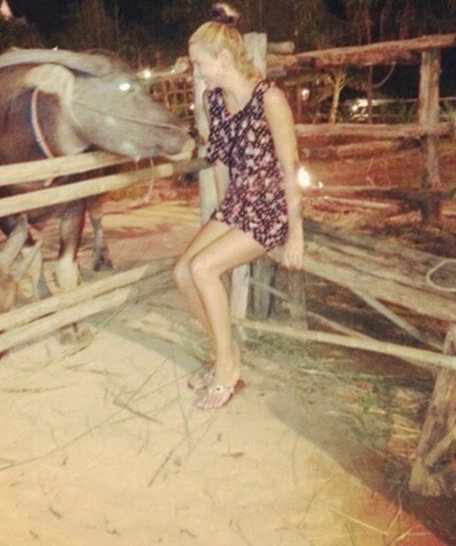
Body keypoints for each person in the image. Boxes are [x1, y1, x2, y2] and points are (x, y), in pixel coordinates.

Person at [173, 3, 304, 411]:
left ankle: (227, 370)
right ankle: (223, 353)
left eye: (199, 63)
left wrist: (295, 233)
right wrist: (222, 216)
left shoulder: (270, 99)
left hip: (270, 208)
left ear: (224, 60)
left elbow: (290, 168)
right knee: (181, 273)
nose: (196, 72)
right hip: (238, 205)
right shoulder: (213, 101)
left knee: (202, 268)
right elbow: (222, 163)